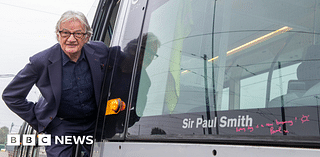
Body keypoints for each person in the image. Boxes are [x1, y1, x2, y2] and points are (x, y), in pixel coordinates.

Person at [2, 10, 111, 157]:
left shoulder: (100, 51)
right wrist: (42, 120)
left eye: (78, 33)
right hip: (61, 126)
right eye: (65, 33)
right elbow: (11, 96)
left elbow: (125, 62)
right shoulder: (40, 62)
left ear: (87, 37)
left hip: (95, 123)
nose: (71, 39)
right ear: (58, 35)